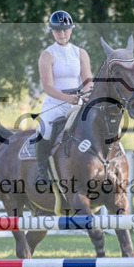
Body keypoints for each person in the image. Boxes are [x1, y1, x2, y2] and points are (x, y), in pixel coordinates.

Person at [34, 10, 92, 183]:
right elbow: (48, 87)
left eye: (65, 29)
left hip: (78, 100)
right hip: (55, 102)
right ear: (53, 32)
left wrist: (87, 94)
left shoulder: (80, 53)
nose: (62, 33)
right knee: (45, 130)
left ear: (71, 30)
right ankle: (42, 172)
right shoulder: (47, 55)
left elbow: (88, 79)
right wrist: (68, 98)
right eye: (58, 30)